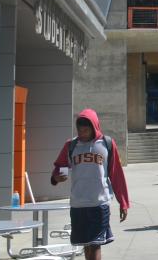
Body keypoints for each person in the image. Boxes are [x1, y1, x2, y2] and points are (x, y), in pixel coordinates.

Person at [51, 109, 131, 260]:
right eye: (80, 130)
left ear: (94, 127)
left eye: (86, 130)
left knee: (95, 245)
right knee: (86, 246)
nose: (82, 134)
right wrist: (56, 178)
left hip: (99, 203)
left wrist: (124, 203)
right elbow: (58, 168)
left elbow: (117, 174)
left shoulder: (106, 144)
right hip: (78, 204)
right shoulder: (71, 145)